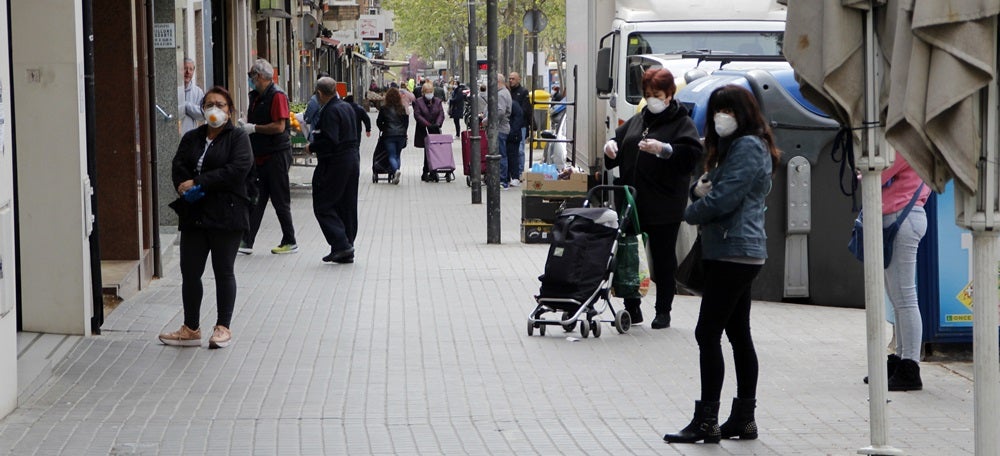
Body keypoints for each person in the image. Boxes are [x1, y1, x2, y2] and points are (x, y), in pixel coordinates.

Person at [662, 84, 779, 444]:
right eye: (716, 110)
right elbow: (712, 185)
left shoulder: (747, 146)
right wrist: (701, 191)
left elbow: (724, 197)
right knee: (737, 334)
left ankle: (707, 420)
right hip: (732, 249)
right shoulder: (739, 148)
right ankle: (743, 419)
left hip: (734, 250)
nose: (719, 116)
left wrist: (691, 210)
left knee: (707, 332)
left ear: (744, 113)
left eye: (726, 110)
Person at [603, 68, 703, 328]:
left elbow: (692, 156)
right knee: (630, 257)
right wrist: (611, 146)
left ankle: (663, 311)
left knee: (662, 258)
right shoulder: (640, 119)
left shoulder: (682, 123)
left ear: (670, 94)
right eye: (648, 95)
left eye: (657, 94)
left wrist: (665, 150)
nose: (652, 100)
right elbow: (620, 140)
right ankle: (632, 308)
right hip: (632, 202)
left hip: (664, 204)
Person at [160, 86, 252, 349]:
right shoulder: (192, 137)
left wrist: (199, 182)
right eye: (209, 104)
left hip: (227, 213)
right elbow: (178, 164)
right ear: (202, 109)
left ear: (229, 110)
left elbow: (236, 170)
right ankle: (190, 327)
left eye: (220, 105)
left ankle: (223, 327)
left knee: (223, 271)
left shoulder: (238, 138)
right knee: (190, 271)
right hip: (195, 213)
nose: (215, 109)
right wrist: (182, 185)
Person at [872, 155, 931, 391]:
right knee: (898, 299)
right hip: (904, 216)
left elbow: (876, 174)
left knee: (904, 299)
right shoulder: (911, 145)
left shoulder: (903, 146)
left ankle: (910, 367)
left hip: (901, 217)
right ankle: (899, 361)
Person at [240, 59, 298, 255]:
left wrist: (254, 128)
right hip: (261, 154)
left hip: (276, 154)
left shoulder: (277, 95)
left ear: (259, 76)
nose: (250, 80)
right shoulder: (257, 96)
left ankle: (290, 240)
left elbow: (280, 126)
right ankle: (247, 241)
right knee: (257, 198)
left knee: (280, 199)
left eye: (251, 76)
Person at [307, 77, 360, 264]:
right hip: (352, 159)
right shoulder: (346, 107)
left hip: (336, 162)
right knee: (346, 203)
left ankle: (341, 244)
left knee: (324, 204)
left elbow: (330, 139)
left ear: (320, 93)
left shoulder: (330, 111)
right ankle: (345, 246)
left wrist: (312, 147)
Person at [376, 88, 409, 185]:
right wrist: (404, 132)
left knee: (391, 155)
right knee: (398, 155)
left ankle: (395, 171)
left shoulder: (384, 108)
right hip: (401, 135)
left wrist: (383, 128)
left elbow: (378, 121)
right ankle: (396, 171)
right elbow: (406, 122)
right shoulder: (402, 108)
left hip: (389, 135)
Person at [413, 82, 445, 182]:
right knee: (427, 150)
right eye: (427, 92)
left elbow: (441, 113)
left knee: (434, 150)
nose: (429, 94)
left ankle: (432, 170)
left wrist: (438, 123)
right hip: (424, 129)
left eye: (431, 92)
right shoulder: (418, 102)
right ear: (423, 92)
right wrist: (427, 124)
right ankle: (427, 171)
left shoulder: (438, 101)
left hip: (435, 129)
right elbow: (417, 115)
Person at [508, 72, 531, 185]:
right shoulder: (508, 92)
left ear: (519, 79)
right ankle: (513, 172)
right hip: (510, 125)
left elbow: (527, 110)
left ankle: (520, 171)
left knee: (520, 150)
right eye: (510, 78)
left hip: (521, 125)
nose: (511, 80)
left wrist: (531, 126)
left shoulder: (523, 92)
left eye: (513, 79)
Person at [180, 58, 205, 134]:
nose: (188, 72)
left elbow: (203, 114)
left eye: (191, 69)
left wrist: (187, 106)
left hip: (190, 134)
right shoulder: (173, 89)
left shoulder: (198, 92)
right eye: (185, 68)